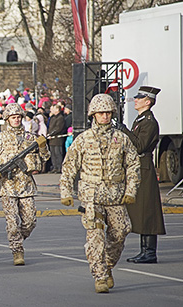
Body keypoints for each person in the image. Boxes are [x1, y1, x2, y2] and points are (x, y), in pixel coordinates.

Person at [60, 94, 140, 293]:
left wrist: (131, 190)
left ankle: (107, 265)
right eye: (100, 113)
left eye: (107, 112)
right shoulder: (83, 139)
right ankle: (100, 276)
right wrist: (66, 191)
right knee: (95, 235)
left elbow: (133, 165)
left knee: (121, 232)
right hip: (91, 195)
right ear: (93, 115)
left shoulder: (121, 138)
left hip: (115, 194)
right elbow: (69, 166)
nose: (104, 116)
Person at [0, 103, 50, 265]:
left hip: (26, 186)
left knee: (30, 221)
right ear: (7, 119)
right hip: (8, 186)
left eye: (19, 117)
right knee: (12, 223)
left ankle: (18, 239)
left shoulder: (30, 137)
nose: (16, 120)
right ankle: (17, 249)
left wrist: (42, 147)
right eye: (13, 117)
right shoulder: (0, 138)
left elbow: (45, 158)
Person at [119, 86, 166, 263]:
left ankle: (150, 252)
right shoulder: (141, 120)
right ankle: (144, 251)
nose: (136, 100)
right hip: (138, 167)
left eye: (140, 97)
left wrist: (124, 130)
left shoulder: (149, 122)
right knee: (141, 211)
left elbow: (140, 146)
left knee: (147, 210)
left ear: (148, 101)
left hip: (144, 167)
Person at [48, 104, 66, 173]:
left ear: (57, 110)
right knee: (53, 154)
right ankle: (55, 167)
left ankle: (59, 168)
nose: (51, 110)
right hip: (51, 139)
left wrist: (52, 133)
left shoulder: (60, 118)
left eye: (53, 108)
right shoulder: (53, 117)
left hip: (57, 139)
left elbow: (58, 128)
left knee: (58, 153)